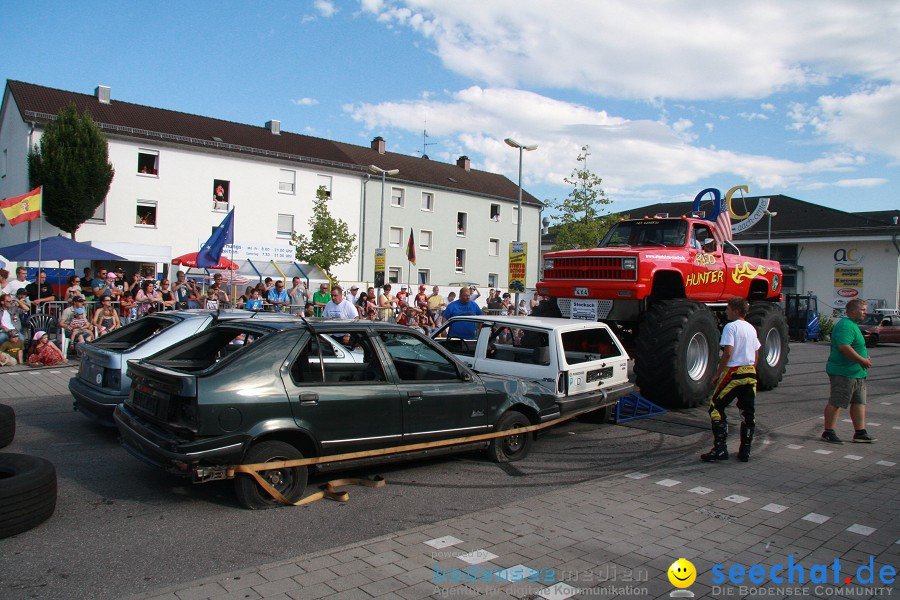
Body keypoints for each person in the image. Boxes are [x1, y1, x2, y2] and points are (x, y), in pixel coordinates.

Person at [701, 297, 760, 462]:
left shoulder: (731, 327)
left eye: (727, 309)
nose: (726, 312)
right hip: (750, 373)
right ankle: (745, 451)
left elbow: (728, 352)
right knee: (747, 413)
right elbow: (756, 352)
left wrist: (718, 374)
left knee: (716, 407)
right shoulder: (751, 329)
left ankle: (720, 448)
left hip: (734, 372)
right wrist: (752, 369)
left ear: (735, 310)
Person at [821, 298, 874, 444]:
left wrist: (863, 358)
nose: (866, 312)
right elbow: (844, 347)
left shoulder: (853, 325)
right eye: (863, 309)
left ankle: (860, 432)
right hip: (844, 372)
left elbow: (854, 346)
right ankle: (828, 432)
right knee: (837, 401)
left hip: (857, 372)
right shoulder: (846, 325)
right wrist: (861, 360)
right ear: (853, 311)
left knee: (859, 402)